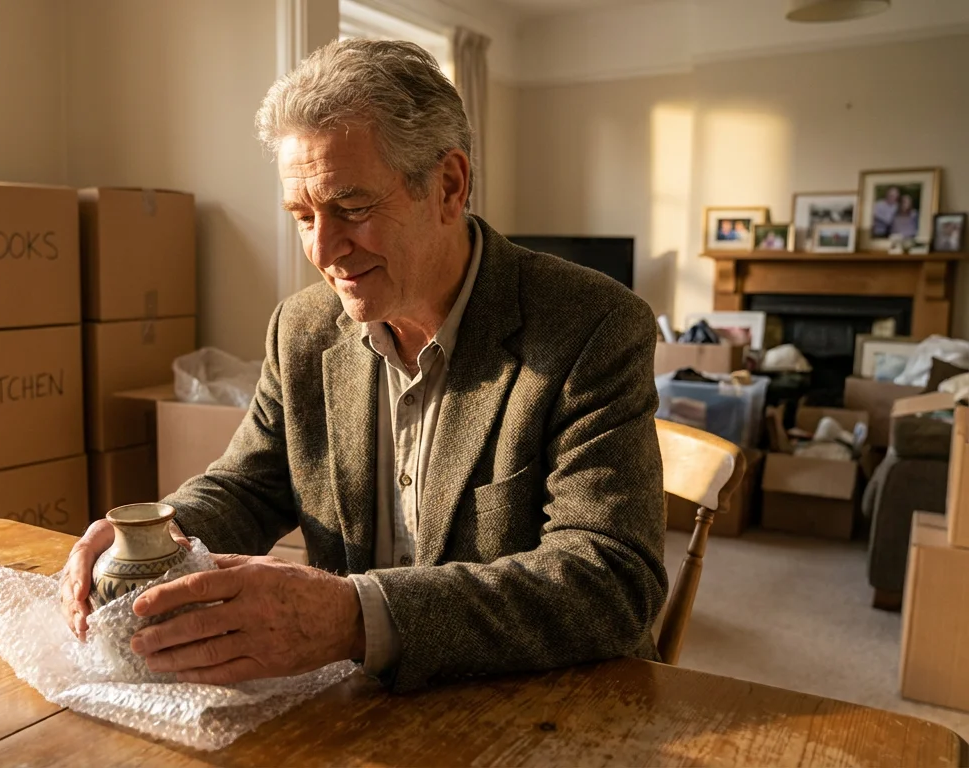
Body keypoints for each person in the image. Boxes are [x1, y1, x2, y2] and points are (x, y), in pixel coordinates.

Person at [59, 39, 667, 694]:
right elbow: (249, 483)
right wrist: (164, 530)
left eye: (352, 208)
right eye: (302, 215)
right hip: (363, 711)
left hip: (539, 708)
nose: (324, 251)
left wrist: (356, 617)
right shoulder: (301, 329)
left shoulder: (594, 327)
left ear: (448, 185)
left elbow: (610, 579)